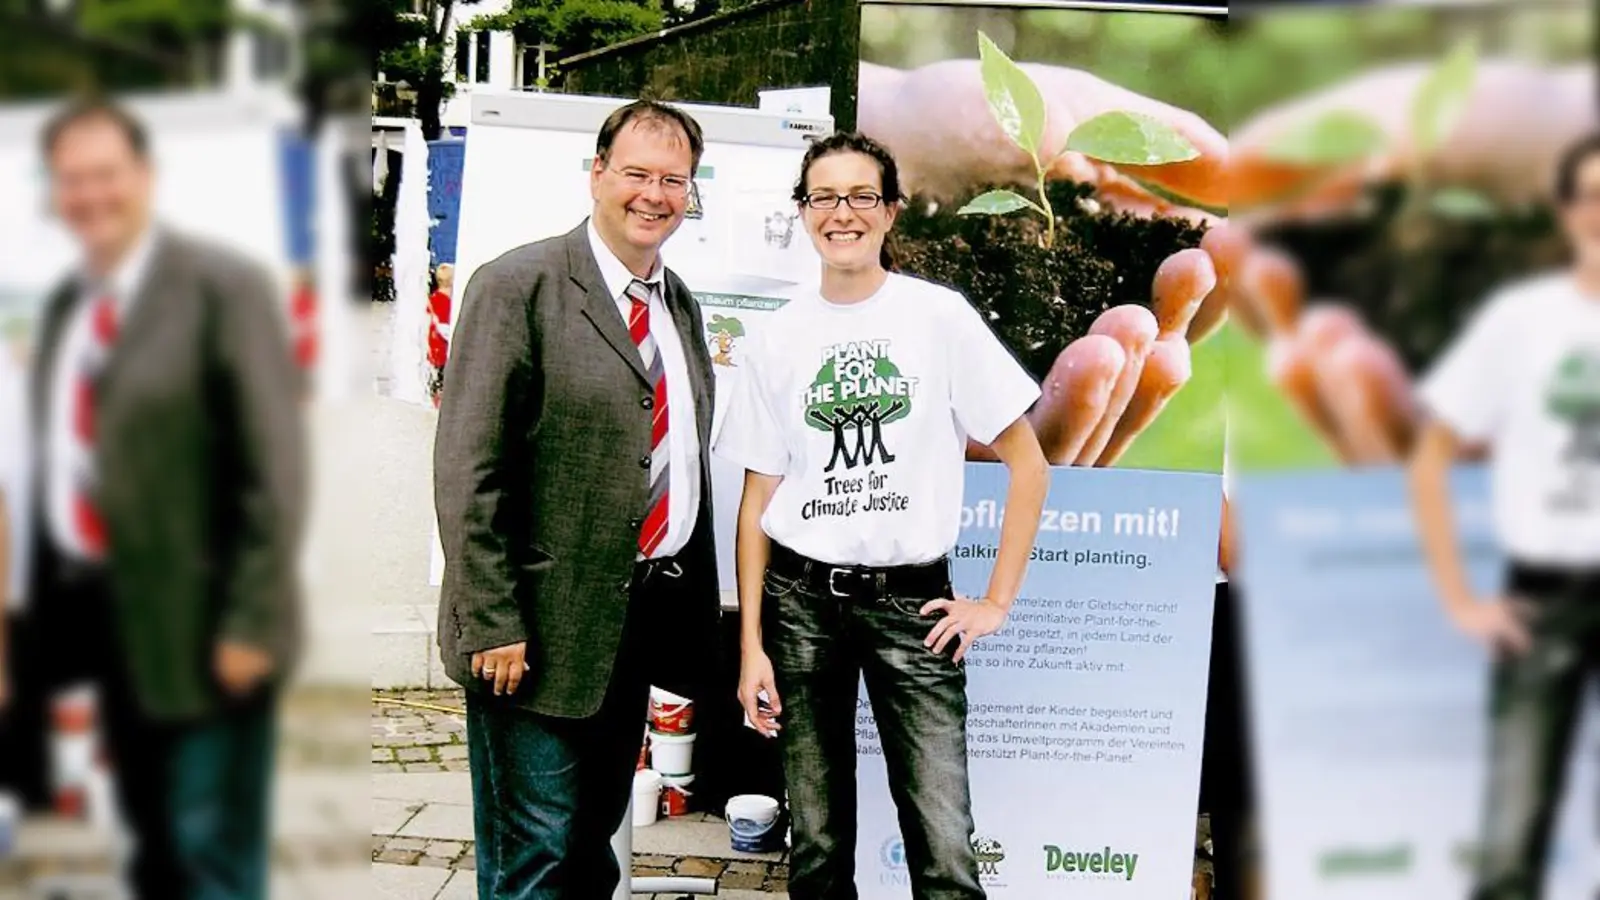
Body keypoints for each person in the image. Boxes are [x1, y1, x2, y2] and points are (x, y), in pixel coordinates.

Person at [716, 132, 1050, 899]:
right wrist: (751, 646)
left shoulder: (939, 318)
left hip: (914, 605)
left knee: (943, 850)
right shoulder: (775, 339)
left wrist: (996, 601)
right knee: (820, 849)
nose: (843, 213)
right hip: (801, 608)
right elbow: (756, 504)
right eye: (824, 197)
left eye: (862, 195)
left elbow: (1028, 464)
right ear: (802, 214)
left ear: (891, 212)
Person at [14, 98, 306, 899]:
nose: (89, 196)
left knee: (210, 852)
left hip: (208, 626)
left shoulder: (222, 287)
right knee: (149, 850)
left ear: (143, 177)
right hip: (100, 622)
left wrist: (249, 624)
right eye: (71, 180)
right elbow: (62, 467)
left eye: (105, 174)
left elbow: (274, 468)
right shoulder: (75, 302)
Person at [433, 99, 722, 898]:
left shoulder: (679, 305)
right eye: (636, 174)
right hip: (530, 635)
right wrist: (492, 619)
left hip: (629, 630)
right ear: (596, 174)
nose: (655, 195)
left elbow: (672, 457)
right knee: (537, 862)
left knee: (591, 853)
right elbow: (469, 468)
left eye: (674, 180)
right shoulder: (518, 286)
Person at [1408, 132, 1600, 900]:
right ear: (1565, 211)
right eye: (1591, 196)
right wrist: (1458, 597)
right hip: (1542, 597)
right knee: (1511, 849)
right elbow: (1431, 457)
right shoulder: (1521, 320)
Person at [426, 263, 453, 407]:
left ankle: (434, 400)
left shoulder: (433, 298)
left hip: (432, 349)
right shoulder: (444, 301)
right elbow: (444, 328)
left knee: (435, 380)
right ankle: (438, 404)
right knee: (441, 381)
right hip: (441, 351)